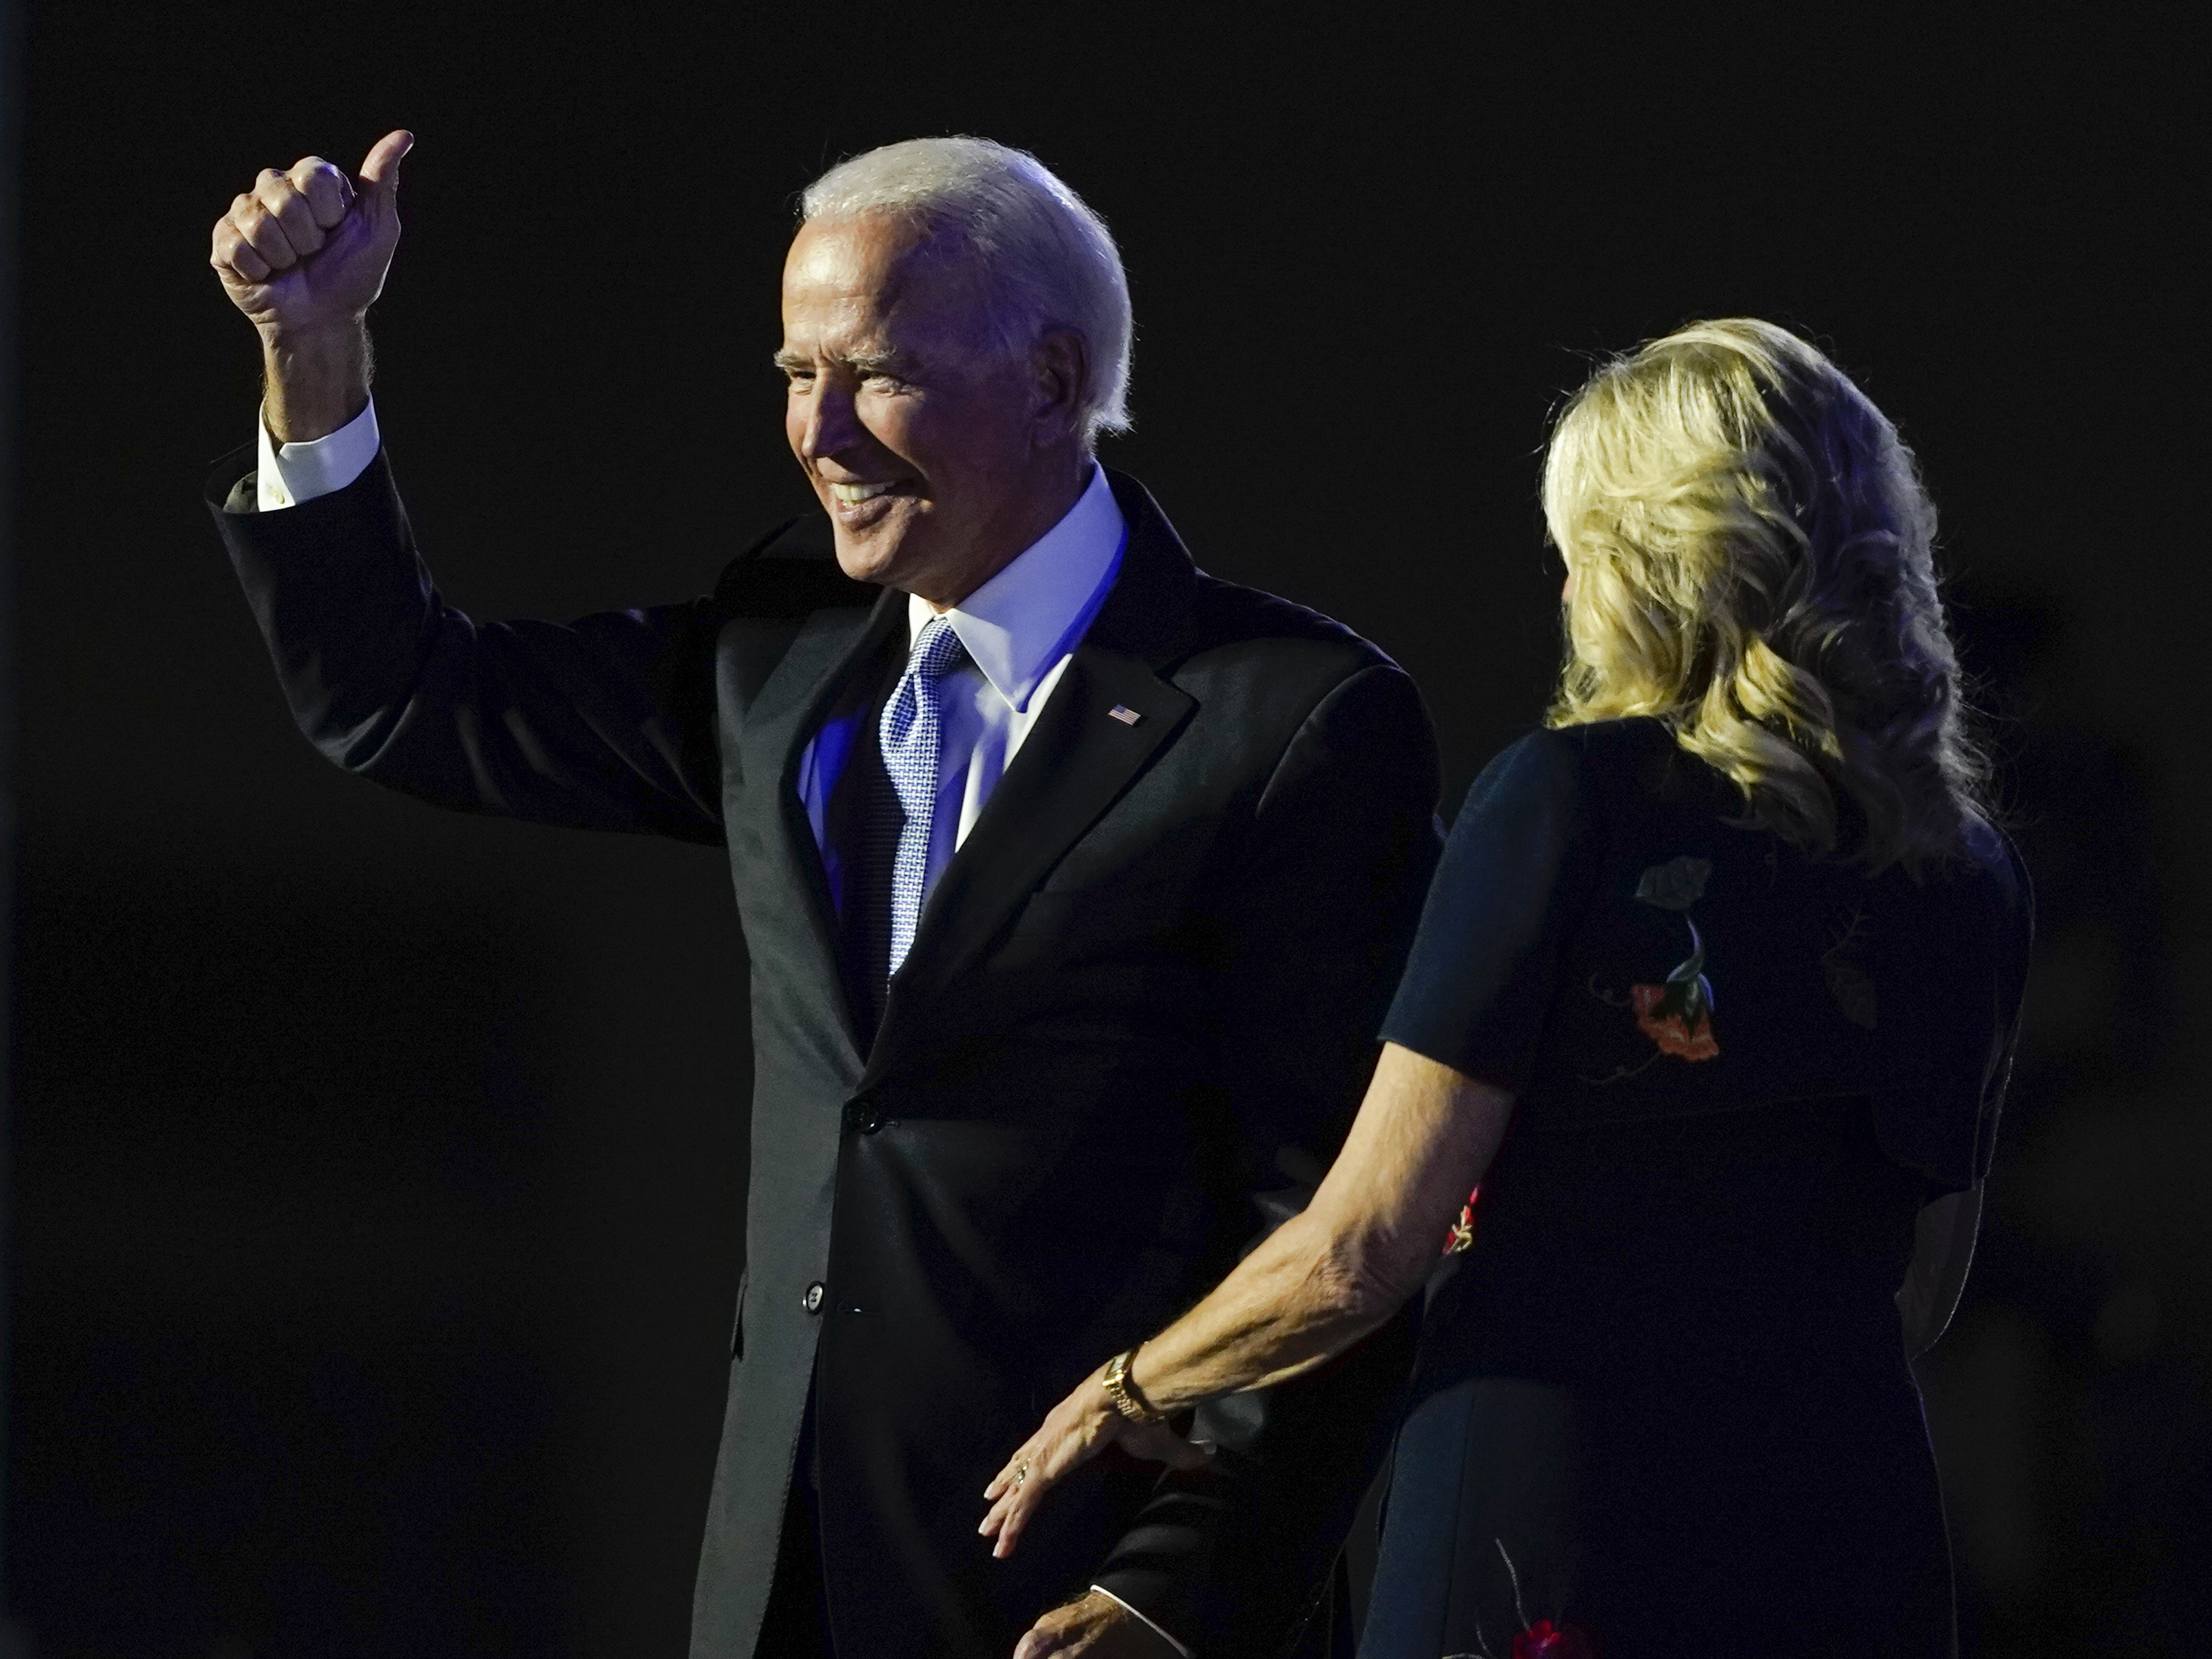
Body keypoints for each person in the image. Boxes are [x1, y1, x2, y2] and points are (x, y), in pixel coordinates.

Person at [202, 133, 1441, 1657]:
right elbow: (403, 699)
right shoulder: (780, 647)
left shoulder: (1289, 721)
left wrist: (1168, 1596)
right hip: (780, 1586)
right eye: (797, 375)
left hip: (1081, 1585)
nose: (821, 432)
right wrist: (313, 351)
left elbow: (1350, 1230)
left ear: (1053, 382)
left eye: (878, 375)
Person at [982, 320, 2032, 1658]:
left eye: (1580, 546)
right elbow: (1922, 1293)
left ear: (1649, 560)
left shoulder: (1566, 802)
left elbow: (1361, 1251)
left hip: (1560, 1525)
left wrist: (1127, 1387)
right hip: (1845, 1537)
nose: (1568, 587)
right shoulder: (1966, 872)